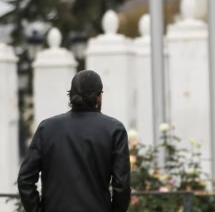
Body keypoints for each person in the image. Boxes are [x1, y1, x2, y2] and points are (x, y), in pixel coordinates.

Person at [17, 70, 131, 212]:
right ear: (99, 97)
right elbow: (122, 185)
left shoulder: (47, 128)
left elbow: (25, 179)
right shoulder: (114, 129)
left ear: (71, 95)